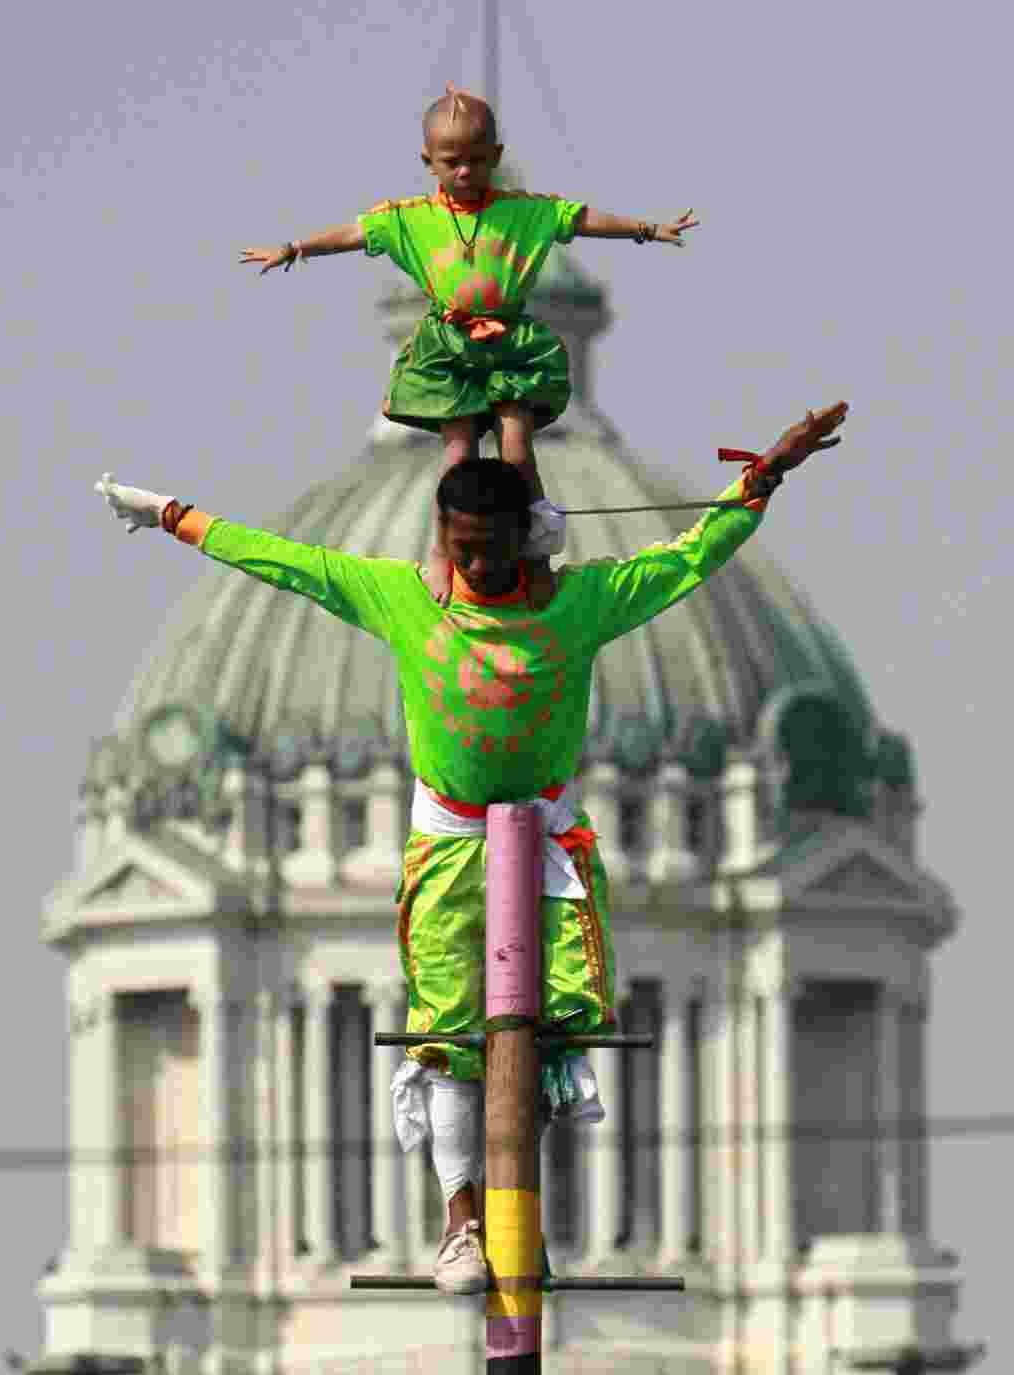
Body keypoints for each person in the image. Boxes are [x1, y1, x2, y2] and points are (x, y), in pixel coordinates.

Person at [95, 400, 848, 1294]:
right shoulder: (409, 601)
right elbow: (282, 562)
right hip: (451, 831)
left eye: (491, 548)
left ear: (528, 540)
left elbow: (691, 556)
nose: (475, 567)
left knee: (567, 1004)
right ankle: (461, 1219)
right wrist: (175, 515)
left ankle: (532, 1194)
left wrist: (764, 478)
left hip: (549, 827)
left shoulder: (582, 602)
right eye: (460, 550)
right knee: (449, 1028)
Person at [239, 84, 699, 610]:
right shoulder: (411, 219)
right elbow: (352, 234)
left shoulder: (523, 213)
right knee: (457, 457)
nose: (463, 171)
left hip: (510, 344)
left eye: (475, 160)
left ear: (494, 158)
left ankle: (535, 555)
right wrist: (295, 249)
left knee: (517, 448)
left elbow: (580, 219)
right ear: (428, 161)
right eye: (452, 161)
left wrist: (646, 228)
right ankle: (442, 551)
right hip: (450, 349)